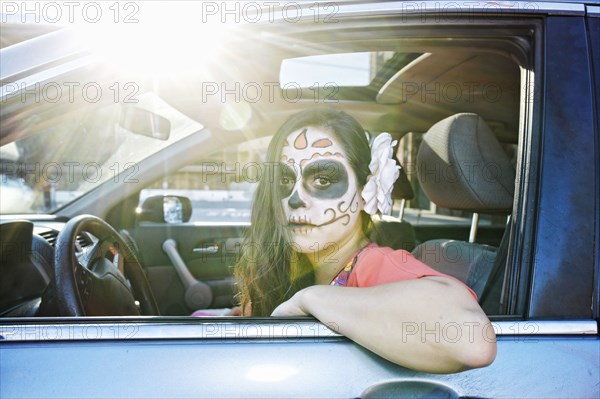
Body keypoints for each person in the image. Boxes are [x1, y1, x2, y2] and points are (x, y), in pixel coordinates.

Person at [234, 108, 496, 373]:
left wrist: (310, 299)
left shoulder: (374, 264)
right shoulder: (294, 263)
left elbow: (471, 339)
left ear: (364, 191)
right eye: (285, 180)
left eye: (323, 179)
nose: (294, 199)